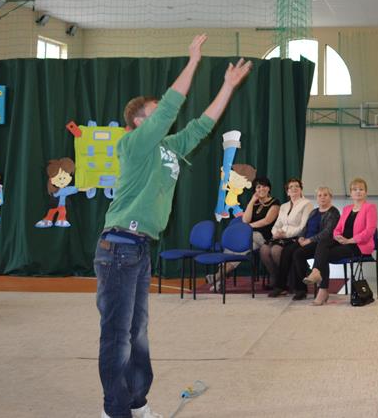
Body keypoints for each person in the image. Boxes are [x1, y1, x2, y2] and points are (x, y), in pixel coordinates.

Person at [95, 34, 251, 418]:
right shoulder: (133, 144)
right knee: (117, 336)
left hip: (138, 248)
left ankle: (137, 404)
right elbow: (170, 107)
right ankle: (114, 411)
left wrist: (228, 86)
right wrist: (193, 61)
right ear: (139, 121)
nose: (165, 116)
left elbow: (202, 126)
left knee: (138, 334)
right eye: (155, 112)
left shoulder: (167, 148)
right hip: (118, 247)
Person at [303, 178, 378, 306]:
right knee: (323, 242)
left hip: (358, 245)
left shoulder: (370, 208)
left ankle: (322, 289)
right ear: (351, 193)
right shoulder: (347, 209)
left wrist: (350, 240)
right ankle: (316, 273)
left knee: (323, 255)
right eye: (355, 189)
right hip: (343, 242)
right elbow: (337, 229)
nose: (358, 192)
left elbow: (369, 231)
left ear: (366, 192)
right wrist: (338, 237)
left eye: (361, 189)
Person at [206, 175, 278, 290]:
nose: (261, 189)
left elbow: (267, 221)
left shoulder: (274, 203)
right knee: (237, 247)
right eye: (258, 187)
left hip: (263, 237)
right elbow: (245, 220)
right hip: (249, 236)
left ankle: (217, 277)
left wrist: (247, 228)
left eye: (264, 186)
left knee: (240, 243)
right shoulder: (255, 203)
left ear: (269, 188)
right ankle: (218, 279)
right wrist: (252, 201)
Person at [260, 178, 313, 297]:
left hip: (296, 237)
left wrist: (286, 234)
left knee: (275, 250)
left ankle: (285, 283)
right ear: (287, 192)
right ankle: (277, 279)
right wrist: (275, 233)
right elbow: (277, 224)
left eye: (297, 186)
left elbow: (303, 226)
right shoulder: (284, 206)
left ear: (301, 190)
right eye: (291, 187)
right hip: (280, 236)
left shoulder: (306, 204)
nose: (294, 188)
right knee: (264, 250)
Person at [287, 186, 340, 301]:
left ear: (330, 197)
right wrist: (301, 237)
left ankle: (303, 287)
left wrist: (309, 240)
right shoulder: (314, 212)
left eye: (325, 195)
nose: (322, 198)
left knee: (298, 254)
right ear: (316, 198)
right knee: (289, 250)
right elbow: (305, 227)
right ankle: (295, 284)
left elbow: (327, 232)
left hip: (322, 243)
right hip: (308, 241)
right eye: (319, 195)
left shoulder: (333, 212)